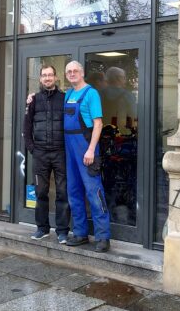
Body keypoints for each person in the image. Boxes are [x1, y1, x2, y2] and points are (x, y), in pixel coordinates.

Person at [63, 60, 111, 252]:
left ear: (82, 73)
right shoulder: (67, 94)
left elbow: (98, 124)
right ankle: (80, 233)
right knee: (73, 192)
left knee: (94, 191)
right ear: (66, 75)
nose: (72, 73)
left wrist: (91, 149)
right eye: (69, 71)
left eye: (75, 71)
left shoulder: (91, 94)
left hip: (86, 149)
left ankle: (103, 236)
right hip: (69, 150)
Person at [23, 65, 70, 244]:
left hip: (60, 153)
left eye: (50, 75)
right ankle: (42, 228)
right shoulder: (33, 100)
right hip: (40, 154)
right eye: (44, 75)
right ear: (40, 79)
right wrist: (32, 149)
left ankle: (62, 231)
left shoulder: (64, 99)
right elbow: (26, 127)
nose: (48, 78)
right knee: (40, 192)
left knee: (62, 192)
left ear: (56, 78)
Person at [101, 67, 136, 134]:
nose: (125, 80)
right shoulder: (128, 96)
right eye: (124, 77)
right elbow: (133, 115)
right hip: (121, 134)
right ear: (118, 78)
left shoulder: (99, 94)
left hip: (102, 132)